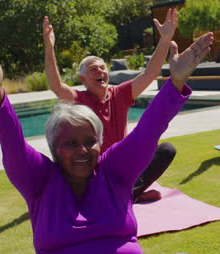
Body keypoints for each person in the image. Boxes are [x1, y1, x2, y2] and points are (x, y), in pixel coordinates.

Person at [0, 23, 213, 252]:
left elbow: (149, 129)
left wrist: (177, 81)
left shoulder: (113, 170)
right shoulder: (39, 180)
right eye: (71, 143)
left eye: (89, 141)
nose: (82, 150)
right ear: (54, 147)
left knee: (164, 149)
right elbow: (12, 142)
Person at [43, 10, 178, 202]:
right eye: (93, 69)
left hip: (124, 163)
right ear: (83, 79)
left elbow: (149, 74)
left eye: (102, 67)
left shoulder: (120, 93)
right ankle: (127, 193)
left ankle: (129, 194)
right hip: (96, 169)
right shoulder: (79, 98)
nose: (100, 71)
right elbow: (56, 86)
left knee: (166, 150)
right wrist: (49, 47)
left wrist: (165, 39)